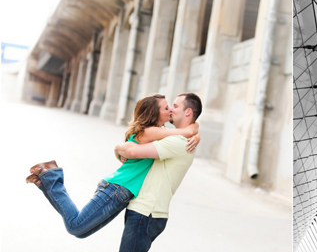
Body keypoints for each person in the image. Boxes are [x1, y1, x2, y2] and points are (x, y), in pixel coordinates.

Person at [95, 92, 202, 252]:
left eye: (175, 106)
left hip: (147, 212)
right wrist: (194, 129)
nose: (171, 110)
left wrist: (119, 146)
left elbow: (130, 152)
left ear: (188, 112)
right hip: (149, 211)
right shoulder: (184, 137)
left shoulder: (177, 142)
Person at [25, 94, 199, 239]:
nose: (170, 111)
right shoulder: (152, 132)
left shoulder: (155, 133)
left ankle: (44, 181)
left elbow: (186, 132)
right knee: (76, 227)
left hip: (120, 191)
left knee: (79, 230)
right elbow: (187, 132)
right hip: (117, 189)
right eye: (166, 108)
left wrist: (196, 131)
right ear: (154, 113)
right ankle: (50, 176)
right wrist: (195, 130)